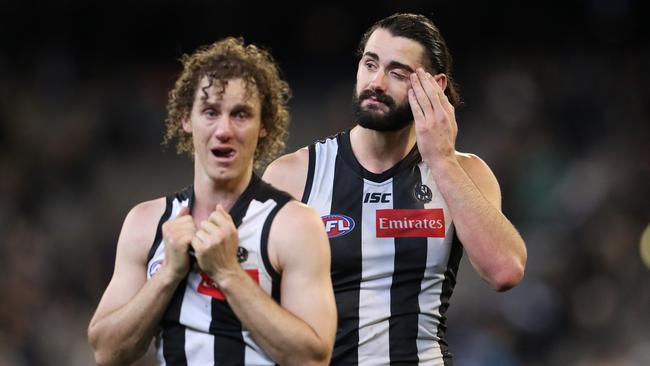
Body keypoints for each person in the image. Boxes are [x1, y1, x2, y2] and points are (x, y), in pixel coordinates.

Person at [263, 13, 527, 365]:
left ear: (435, 85)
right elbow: (254, 304)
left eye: (397, 72)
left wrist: (443, 161)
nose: (376, 82)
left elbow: (504, 271)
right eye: (370, 64)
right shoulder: (293, 175)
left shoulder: (466, 172)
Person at [88, 37, 337, 366]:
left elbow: (312, 358)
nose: (224, 130)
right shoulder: (145, 222)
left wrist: (228, 273)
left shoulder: (295, 224)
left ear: (263, 126)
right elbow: (106, 351)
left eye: (241, 114)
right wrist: (167, 275)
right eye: (209, 112)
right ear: (185, 120)